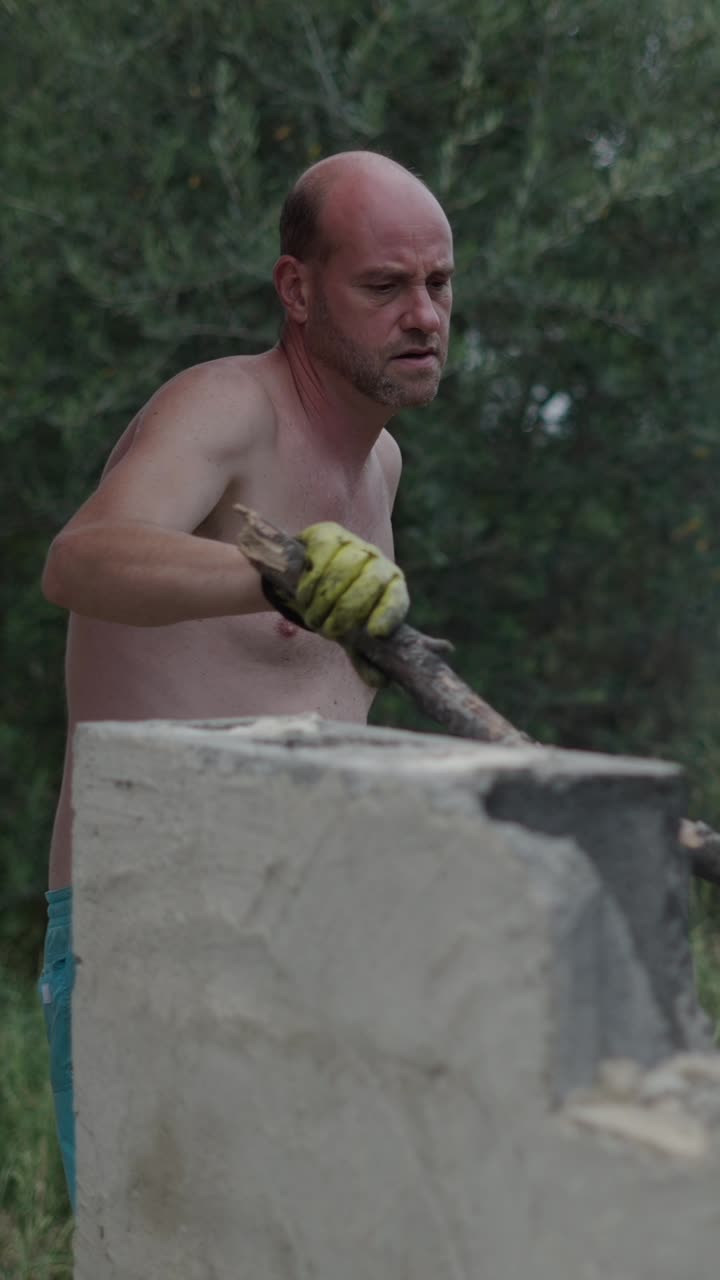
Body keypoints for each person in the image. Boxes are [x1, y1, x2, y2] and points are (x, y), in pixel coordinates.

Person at [39, 149, 455, 1208]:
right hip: (156, 929)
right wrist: (276, 576)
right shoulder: (227, 406)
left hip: (315, 934)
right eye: (385, 285)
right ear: (297, 289)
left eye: (439, 283)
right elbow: (81, 560)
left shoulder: (381, 464)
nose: (423, 315)